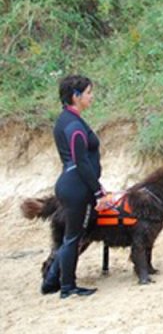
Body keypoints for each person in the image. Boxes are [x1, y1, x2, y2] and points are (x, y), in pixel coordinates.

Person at [41, 75, 110, 298]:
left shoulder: (66, 120)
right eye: (88, 93)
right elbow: (80, 162)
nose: (92, 97)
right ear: (75, 96)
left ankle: (52, 281)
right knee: (73, 237)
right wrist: (98, 192)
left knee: (73, 236)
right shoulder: (73, 125)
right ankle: (67, 287)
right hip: (76, 187)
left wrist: (97, 186)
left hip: (73, 184)